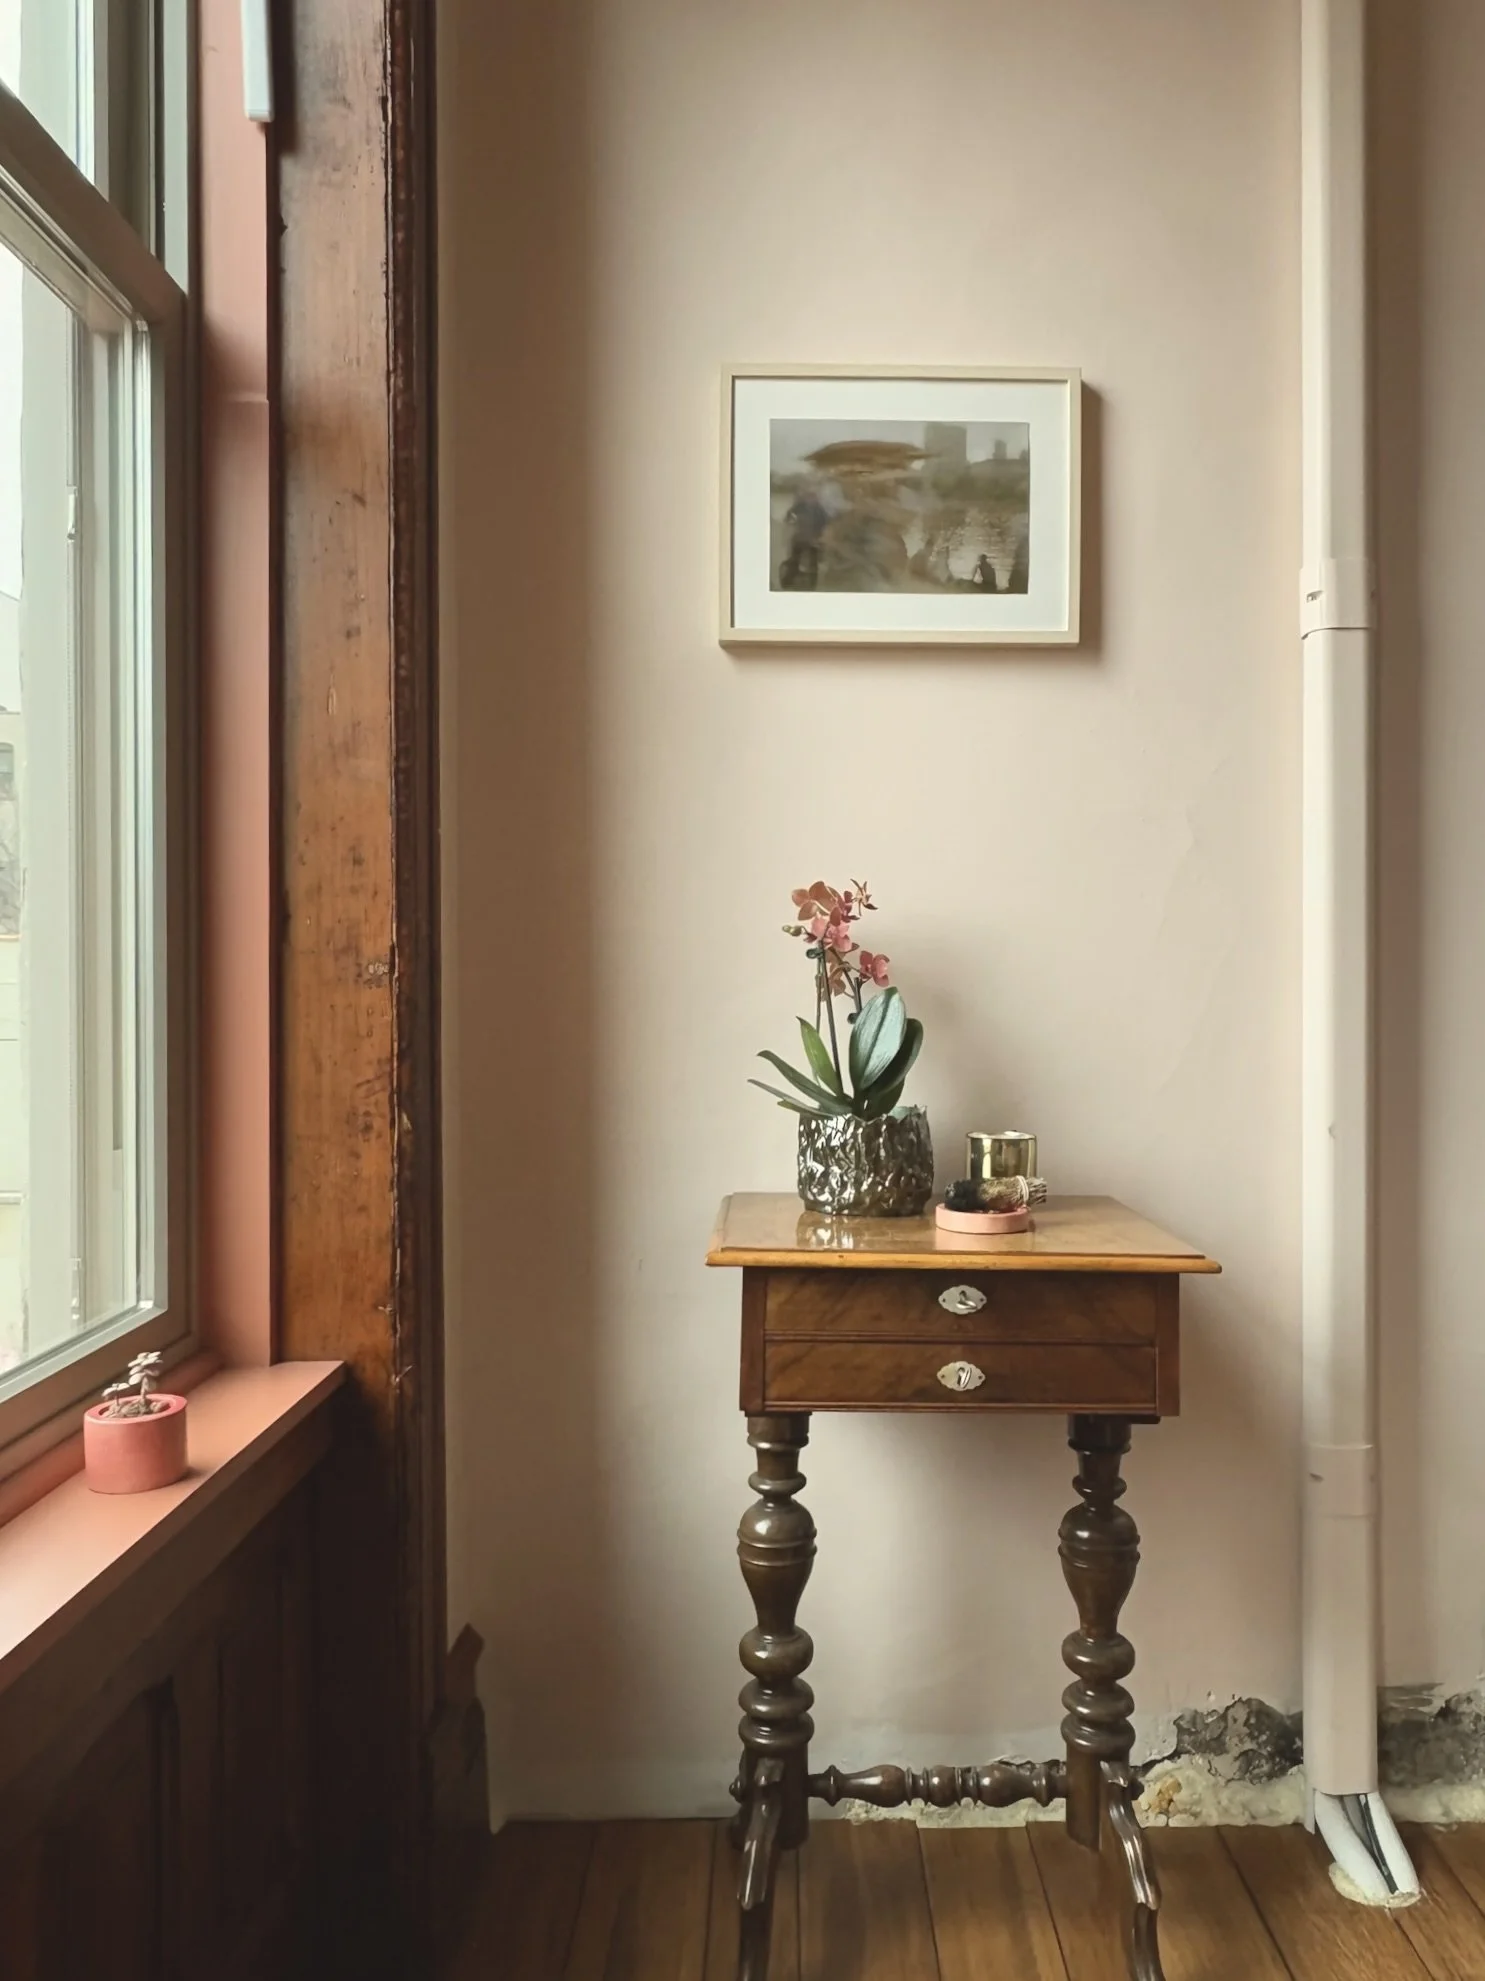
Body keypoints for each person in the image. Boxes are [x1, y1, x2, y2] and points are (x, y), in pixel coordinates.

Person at [779, 482, 829, 590]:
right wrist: (791, 521)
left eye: (813, 496)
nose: (811, 499)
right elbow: (789, 515)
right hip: (801, 539)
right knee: (795, 560)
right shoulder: (800, 506)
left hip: (813, 540)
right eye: (809, 496)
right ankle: (788, 581)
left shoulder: (819, 510)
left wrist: (821, 537)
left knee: (813, 564)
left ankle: (811, 585)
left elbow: (826, 523)